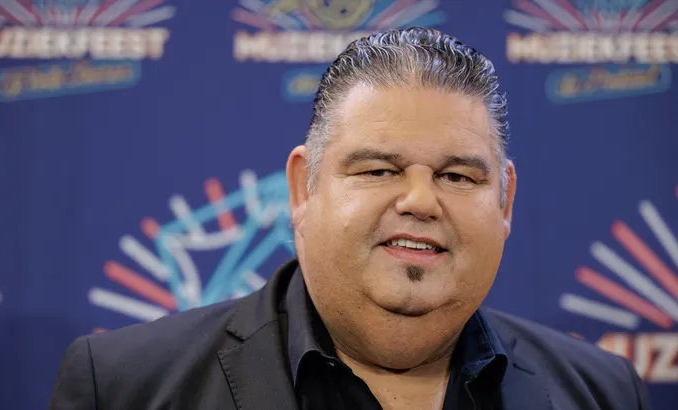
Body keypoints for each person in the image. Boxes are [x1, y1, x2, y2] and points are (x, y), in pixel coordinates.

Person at [48, 27, 653, 410]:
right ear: (302, 189)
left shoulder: (604, 393)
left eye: (458, 177)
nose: (420, 201)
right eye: (379, 169)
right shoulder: (123, 388)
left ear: (506, 202)